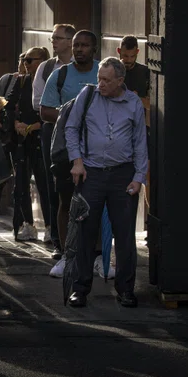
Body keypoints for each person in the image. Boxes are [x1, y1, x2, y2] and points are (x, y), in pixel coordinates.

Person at [66, 58, 148, 309]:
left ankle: (125, 290)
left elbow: (140, 142)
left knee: (124, 236)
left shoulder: (133, 103)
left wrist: (138, 178)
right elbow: (71, 128)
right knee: (85, 232)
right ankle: (79, 289)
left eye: (106, 80)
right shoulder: (88, 95)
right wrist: (77, 161)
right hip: (91, 173)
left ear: (120, 81)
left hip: (123, 174)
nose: (100, 83)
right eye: (99, 78)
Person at [40, 29, 100, 278]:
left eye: (84, 45)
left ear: (94, 49)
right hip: (65, 149)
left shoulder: (103, 72)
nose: (79, 50)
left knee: (96, 203)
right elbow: (44, 111)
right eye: (76, 45)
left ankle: (97, 257)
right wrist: (72, 117)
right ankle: (67, 255)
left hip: (98, 150)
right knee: (65, 200)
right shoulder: (60, 74)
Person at [0, 47, 51, 240]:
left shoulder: (49, 80)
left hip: (41, 138)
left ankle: (50, 226)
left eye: (30, 60)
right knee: (21, 184)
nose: (25, 64)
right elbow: (8, 104)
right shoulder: (22, 80)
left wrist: (35, 125)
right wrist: (16, 123)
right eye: (24, 60)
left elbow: (55, 109)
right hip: (22, 139)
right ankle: (28, 223)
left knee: (44, 184)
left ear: (42, 61)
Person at [33, 24, 76, 255]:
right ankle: (57, 240)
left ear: (70, 41)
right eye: (52, 38)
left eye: (58, 38)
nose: (53, 42)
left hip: (83, 133)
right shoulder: (46, 67)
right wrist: (69, 113)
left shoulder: (88, 68)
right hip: (53, 131)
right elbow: (37, 102)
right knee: (54, 184)